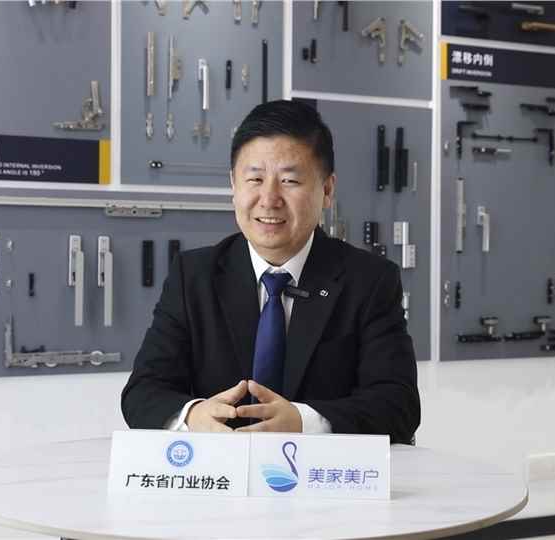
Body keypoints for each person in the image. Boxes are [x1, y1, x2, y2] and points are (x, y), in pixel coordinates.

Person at [121, 100, 420, 444]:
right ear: (234, 185)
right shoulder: (193, 276)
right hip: (223, 471)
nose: (269, 199)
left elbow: (398, 406)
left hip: (320, 472)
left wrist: (303, 421)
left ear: (327, 190)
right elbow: (143, 392)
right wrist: (193, 415)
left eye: (290, 180)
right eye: (255, 179)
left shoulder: (369, 281)